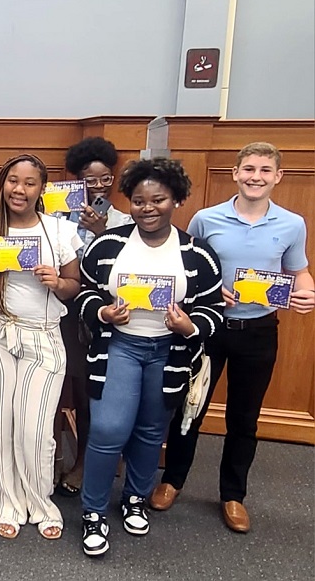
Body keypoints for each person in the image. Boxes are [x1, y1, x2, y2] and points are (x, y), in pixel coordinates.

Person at [150, 142, 314, 533]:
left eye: (264, 170)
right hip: (210, 328)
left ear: (277, 177)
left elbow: (299, 272)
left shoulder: (292, 224)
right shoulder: (208, 218)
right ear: (236, 174)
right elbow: (189, 268)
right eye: (249, 169)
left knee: (245, 417)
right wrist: (210, 292)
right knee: (191, 408)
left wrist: (307, 291)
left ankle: (233, 495)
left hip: (259, 330)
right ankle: (172, 480)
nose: (255, 177)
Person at [75, 157, 224, 556]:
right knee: (108, 429)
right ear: (130, 203)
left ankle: (135, 499)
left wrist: (189, 327)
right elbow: (85, 293)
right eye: (139, 200)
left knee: (149, 430)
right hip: (119, 346)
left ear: (176, 199)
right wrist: (103, 312)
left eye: (158, 199)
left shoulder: (198, 254)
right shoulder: (107, 245)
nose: (148, 208)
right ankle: (93, 511)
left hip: (168, 351)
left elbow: (214, 312)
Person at [0, 154, 82, 540]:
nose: (20, 189)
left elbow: (74, 287)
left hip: (44, 335)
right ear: (3, 184)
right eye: (13, 180)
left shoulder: (60, 232)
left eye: (29, 182)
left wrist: (55, 282)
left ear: (41, 189)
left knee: (34, 429)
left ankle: (39, 499)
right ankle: (5, 501)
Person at [55, 137, 132, 497]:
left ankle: (83, 462)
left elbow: (126, 272)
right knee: (53, 389)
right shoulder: (57, 216)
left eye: (106, 178)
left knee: (87, 392)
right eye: (90, 178)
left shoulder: (125, 221)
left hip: (99, 314)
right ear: (77, 179)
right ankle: (49, 457)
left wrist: (103, 234)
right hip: (58, 310)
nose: (98, 185)